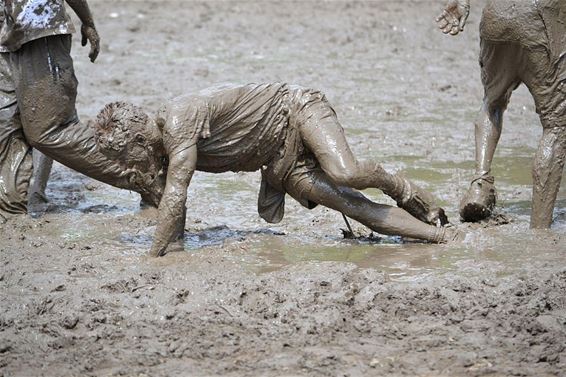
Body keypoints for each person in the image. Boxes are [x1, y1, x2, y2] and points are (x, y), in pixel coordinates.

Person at [93, 83, 459, 257]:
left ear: (141, 139)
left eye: (126, 156)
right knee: (352, 206)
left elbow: (176, 193)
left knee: (344, 172)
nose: (128, 167)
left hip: (296, 109)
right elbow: (174, 203)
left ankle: (400, 186)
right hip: (279, 158)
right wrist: (172, 247)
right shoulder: (165, 155)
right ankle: (442, 239)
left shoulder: (177, 121)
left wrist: (150, 261)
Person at [0, 0, 160, 222]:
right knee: (6, 126)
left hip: (37, 23)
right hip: (6, 30)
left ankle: (146, 176)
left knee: (50, 130)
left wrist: (87, 20)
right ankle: (12, 210)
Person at [436, 0, 566, 228]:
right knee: (556, 125)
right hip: (544, 20)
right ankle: (540, 229)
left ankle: (480, 182)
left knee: (492, 102)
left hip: (497, 16)